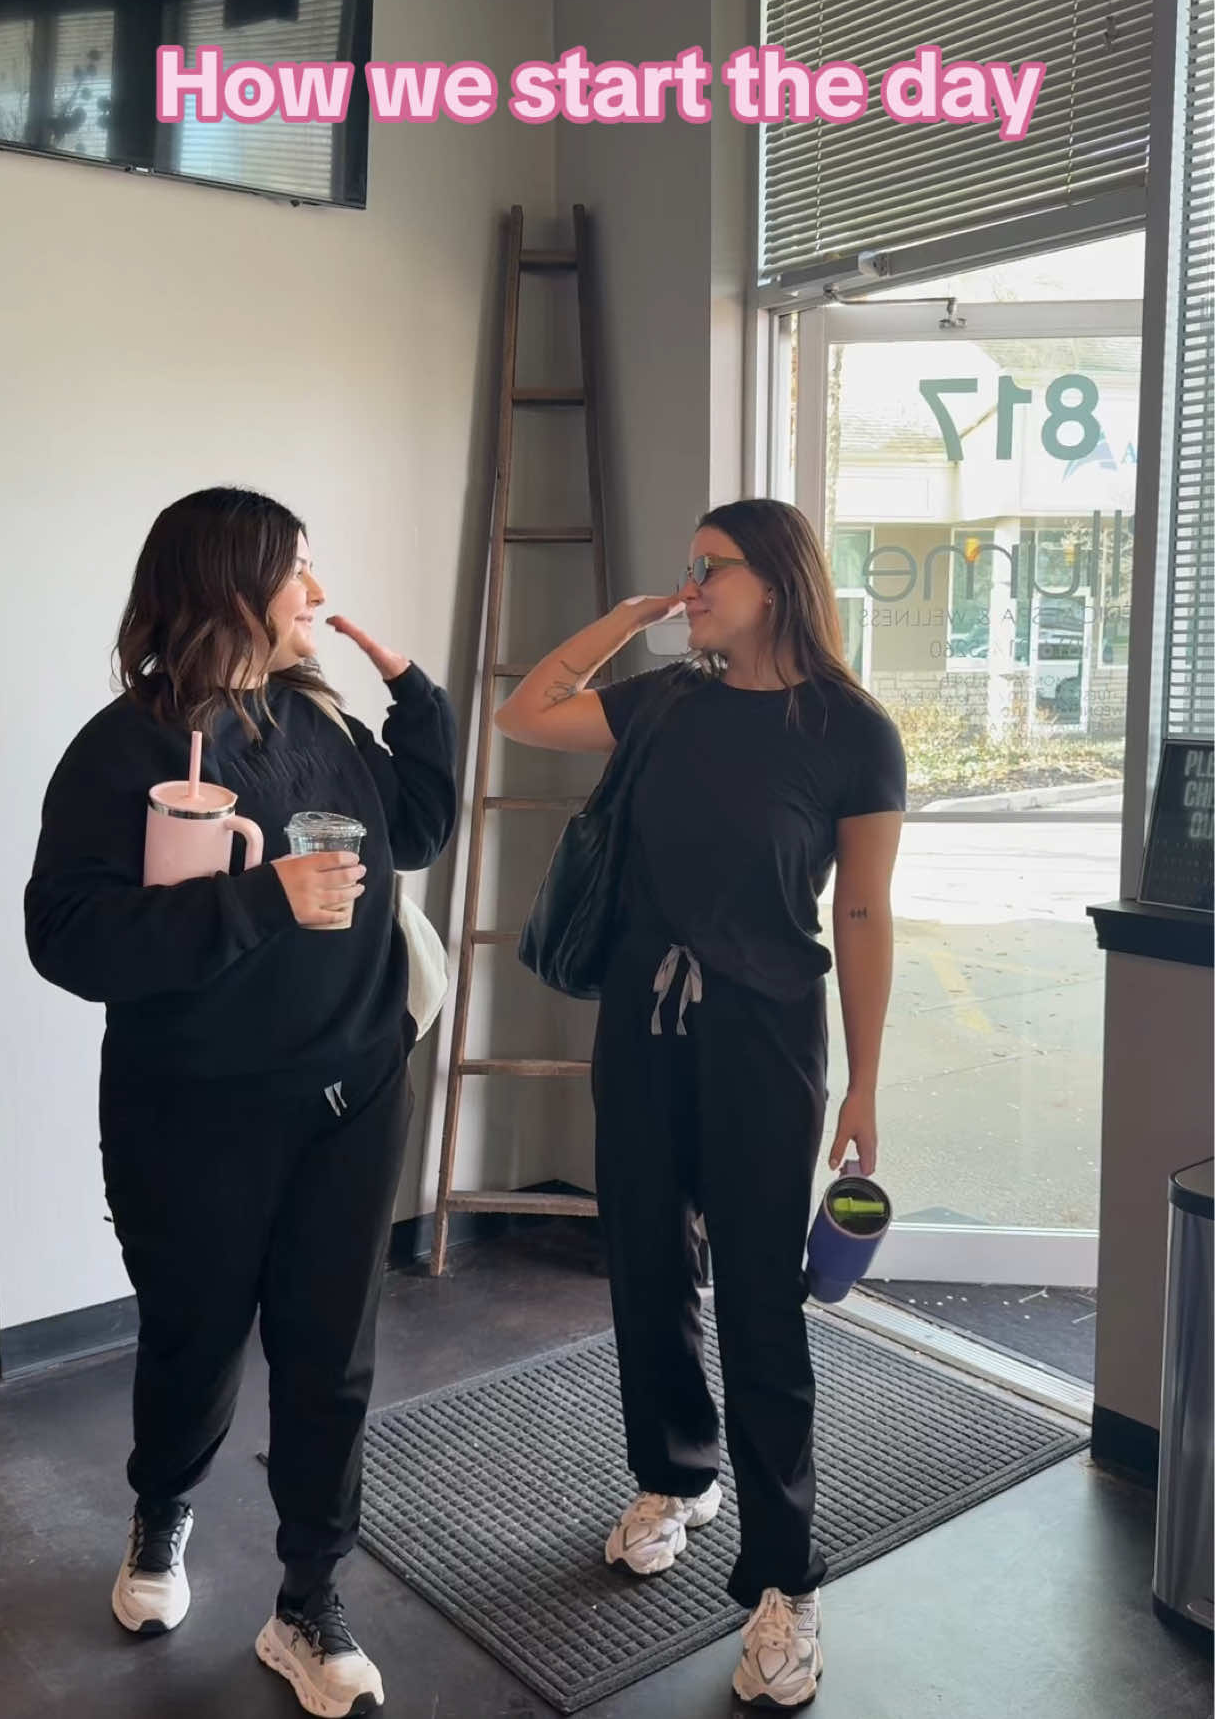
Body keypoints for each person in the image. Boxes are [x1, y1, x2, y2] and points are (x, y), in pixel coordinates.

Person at [25, 487, 457, 1718]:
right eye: (297, 570)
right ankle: (162, 1506)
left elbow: (417, 829)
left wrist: (415, 699)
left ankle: (309, 1599)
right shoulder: (123, 752)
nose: (319, 592)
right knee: (194, 1338)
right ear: (230, 588)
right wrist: (263, 900)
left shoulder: (318, 717)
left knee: (331, 1359)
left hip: (354, 1092)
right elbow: (66, 936)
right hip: (192, 1115)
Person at [496, 498, 905, 1710]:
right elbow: (527, 712)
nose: (691, 587)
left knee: (763, 1307)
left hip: (765, 1037)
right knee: (644, 1258)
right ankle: (676, 1474)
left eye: (708, 569)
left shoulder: (851, 731)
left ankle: (786, 1582)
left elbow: (863, 912)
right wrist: (631, 617)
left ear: (774, 579)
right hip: (641, 1021)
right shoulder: (666, 699)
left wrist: (867, 1080)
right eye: (684, 570)